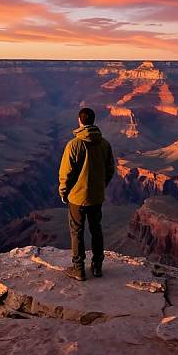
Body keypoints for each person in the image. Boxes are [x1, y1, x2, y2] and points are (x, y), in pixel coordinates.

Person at [58, 107, 115, 281]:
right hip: (96, 197)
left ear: (80, 121)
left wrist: (63, 191)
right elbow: (110, 169)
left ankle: (79, 269)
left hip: (77, 198)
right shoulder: (104, 143)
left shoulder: (74, 144)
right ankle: (97, 267)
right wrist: (100, 186)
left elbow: (65, 173)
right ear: (93, 121)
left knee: (77, 232)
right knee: (96, 230)